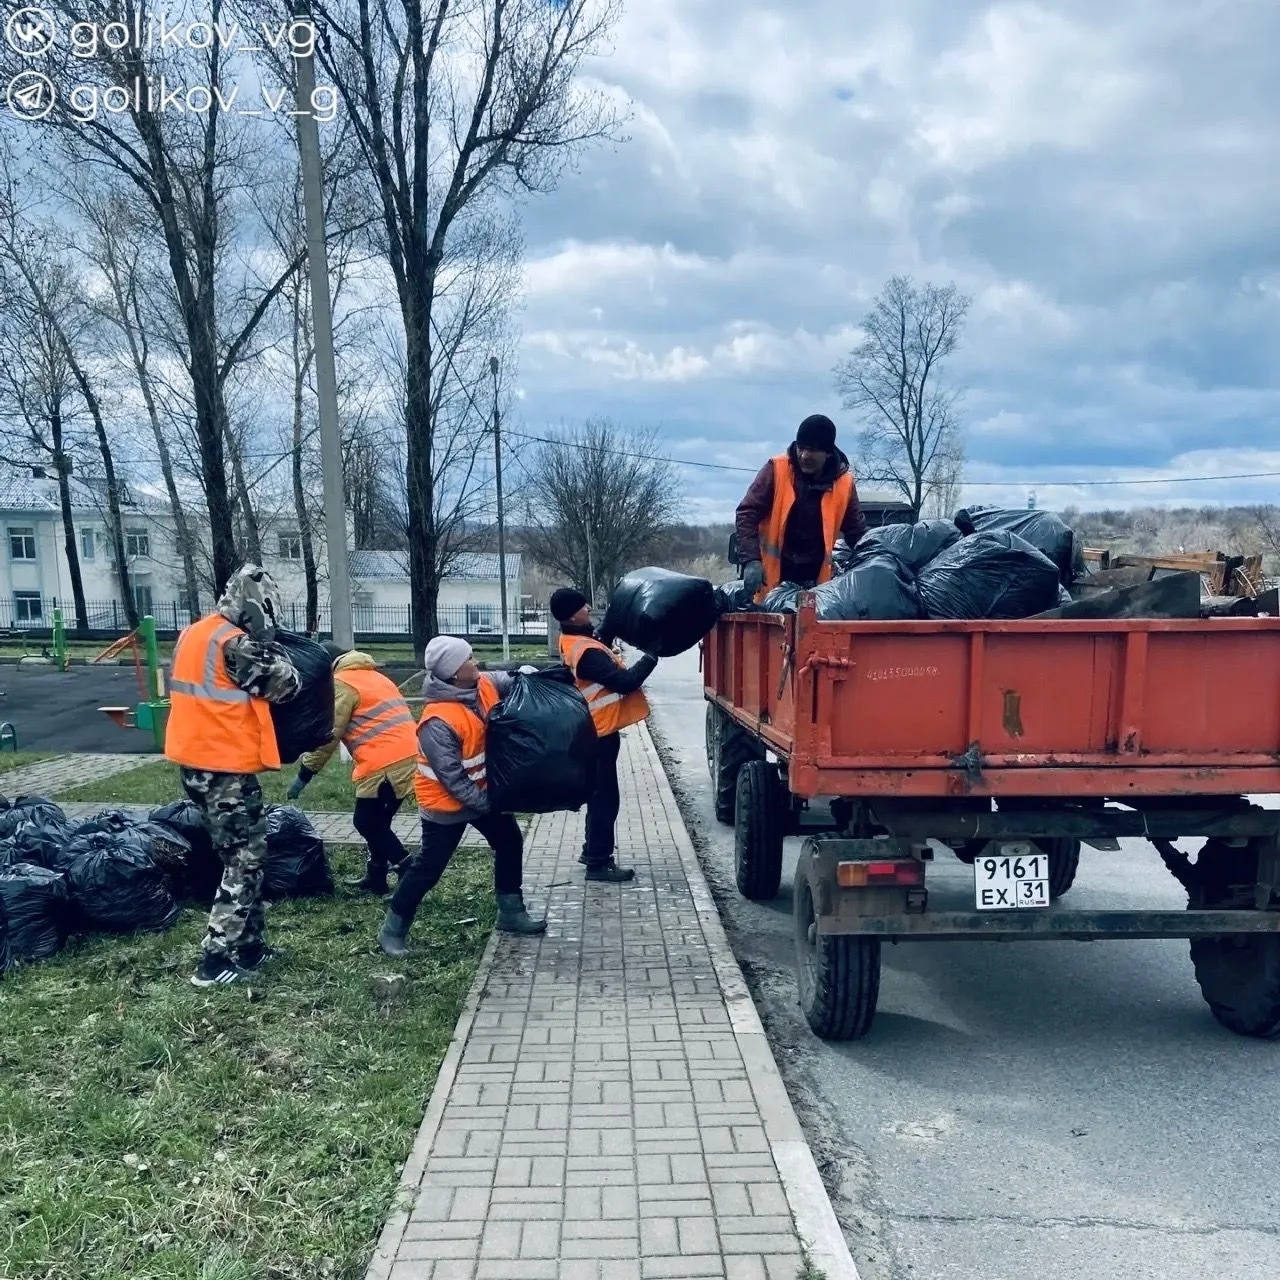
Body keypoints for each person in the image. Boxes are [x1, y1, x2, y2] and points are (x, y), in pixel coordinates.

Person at [164, 565, 302, 988]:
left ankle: (250, 945)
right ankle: (215, 958)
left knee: (246, 853)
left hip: (199, 763)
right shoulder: (235, 644)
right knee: (244, 860)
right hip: (224, 768)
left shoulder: (195, 633)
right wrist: (281, 652)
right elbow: (286, 686)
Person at [378, 636, 546, 956]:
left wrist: (527, 674)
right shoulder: (437, 722)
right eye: (469, 658)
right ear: (455, 672)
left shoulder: (481, 685)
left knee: (510, 842)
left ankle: (511, 912)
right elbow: (453, 780)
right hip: (446, 806)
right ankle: (392, 931)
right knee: (429, 868)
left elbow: (506, 679)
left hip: (482, 793)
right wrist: (491, 804)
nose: (476, 662)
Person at [286, 644, 417, 895]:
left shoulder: (343, 684)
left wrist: (304, 774)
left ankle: (407, 869)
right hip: (407, 755)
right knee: (380, 823)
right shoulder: (375, 676)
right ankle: (376, 877)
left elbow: (328, 735)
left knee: (366, 823)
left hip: (385, 762)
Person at [550, 587, 657, 884]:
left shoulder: (575, 640)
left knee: (599, 795)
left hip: (594, 731)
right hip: (598, 734)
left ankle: (592, 851)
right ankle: (598, 862)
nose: (588, 607)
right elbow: (625, 681)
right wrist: (652, 655)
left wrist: (609, 626)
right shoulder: (586, 653)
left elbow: (599, 644)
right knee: (604, 800)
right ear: (572, 615)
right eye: (582, 606)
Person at [735, 413, 867, 601]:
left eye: (812, 450)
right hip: (770, 585)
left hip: (815, 589)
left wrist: (877, 562)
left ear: (828, 452)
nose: (804, 455)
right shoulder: (776, 470)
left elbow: (857, 534)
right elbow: (747, 513)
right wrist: (751, 560)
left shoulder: (844, 484)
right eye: (801, 447)